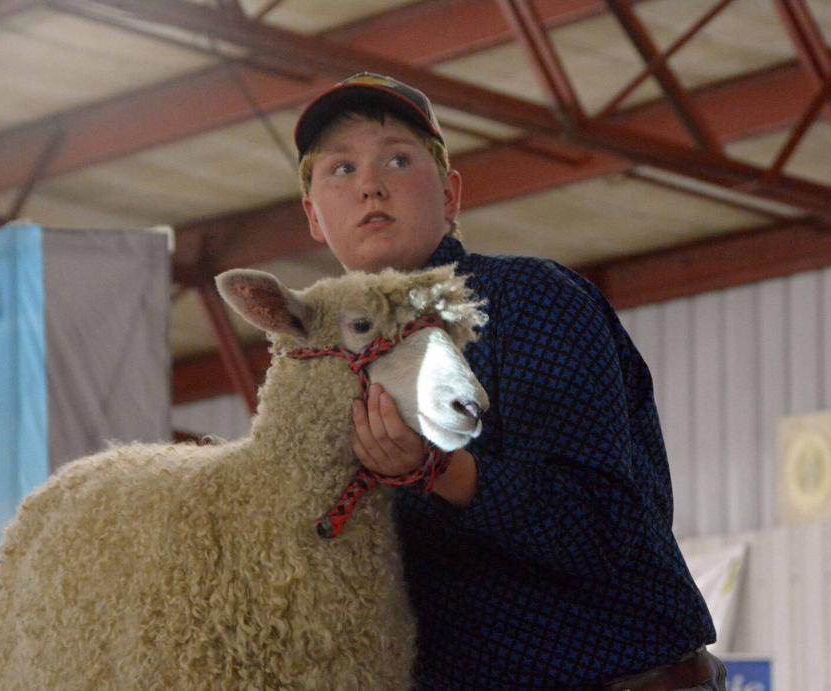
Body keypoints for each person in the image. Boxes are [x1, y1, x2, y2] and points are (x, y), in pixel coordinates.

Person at [294, 72, 726, 691]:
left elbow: (602, 524)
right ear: (313, 215)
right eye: (340, 169)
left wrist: (439, 471)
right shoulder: (323, 362)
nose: (370, 184)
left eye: (397, 158)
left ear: (450, 195)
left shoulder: (528, 302)